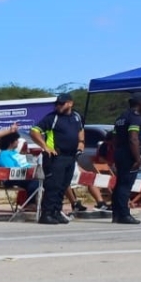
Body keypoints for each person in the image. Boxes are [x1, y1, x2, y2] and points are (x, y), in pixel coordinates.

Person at [28, 93, 84, 225]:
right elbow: (34, 131)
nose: (58, 106)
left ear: (70, 103)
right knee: (53, 186)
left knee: (63, 186)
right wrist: (45, 147)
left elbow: (80, 130)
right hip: (55, 157)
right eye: (57, 104)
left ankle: (56, 212)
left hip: (70, 157)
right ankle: (46, 214)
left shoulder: (76, 117)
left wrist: (81, 144)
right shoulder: (52, 118)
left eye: (61, 103)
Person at [110, 93, 141, 225]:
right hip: (129, 154)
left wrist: (118, 151)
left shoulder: (121, 117)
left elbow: (114, 138)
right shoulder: (135, 117)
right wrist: (137, 158)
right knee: (125, 185)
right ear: (140, 103)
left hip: (120, 152)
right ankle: (124, 215)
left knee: (119, 184)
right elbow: (133, 138)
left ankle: (116, 214)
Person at [0, 132, 40, 208]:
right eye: (16, 140)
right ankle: (31, 203)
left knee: (45, 180)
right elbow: (11, 171)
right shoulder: (4, 155)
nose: (18, 142)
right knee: (35, 181)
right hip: (12, 178)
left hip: (25, 175)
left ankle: (39, 204)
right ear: (11, 142)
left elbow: (27, 164)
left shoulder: (14, 152)